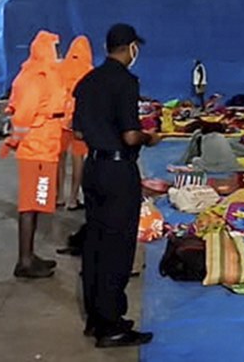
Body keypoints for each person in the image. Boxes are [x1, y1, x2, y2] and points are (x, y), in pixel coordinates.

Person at [72, 23, 161, 347]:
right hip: (117, 170)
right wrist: (150, 138)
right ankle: (112, 324)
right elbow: (129, 135)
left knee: (95, 243)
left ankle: (96, 318)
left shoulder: (87, 82)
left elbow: (79, 132)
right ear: (130, 47)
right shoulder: (124, 82)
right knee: (117, 248)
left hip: (93, 167)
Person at [0, 31, 66, 279]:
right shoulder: (36, 78)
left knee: (36, 204)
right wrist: (15, 140)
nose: (59, 54)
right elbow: (24, 116)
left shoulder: (46, 75)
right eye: (55, 49)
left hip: (45, 146)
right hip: (36, 148)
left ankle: (29, 255)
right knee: (30, 205)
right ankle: (24, 261)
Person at [58, 36, 94, 210]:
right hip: (80, 122)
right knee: (78, 159)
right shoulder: (89, 71)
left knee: (60, 158)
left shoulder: (60, 68)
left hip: (60, 120)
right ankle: (73, 198)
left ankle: (58, 196)